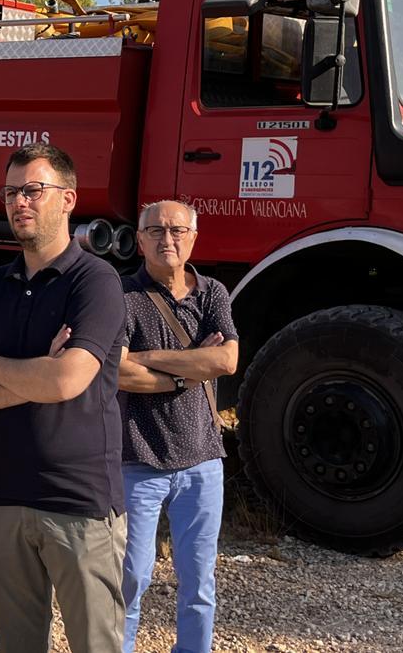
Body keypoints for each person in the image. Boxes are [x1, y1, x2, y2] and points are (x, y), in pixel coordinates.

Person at [0, 143, 127, 653]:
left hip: (79, 501)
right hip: (1, 497)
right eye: (11, 192)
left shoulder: (96, 281)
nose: (20, 202)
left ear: (68, 199)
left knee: (97, 645)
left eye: (33, 190)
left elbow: (66, 382)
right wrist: (34, 371)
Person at [117, 200, 239, 653]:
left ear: (193, 238)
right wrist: (192, 369)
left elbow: (226, 360)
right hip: (138, 459)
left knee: (199, 582)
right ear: (140, 238)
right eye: (156, 230)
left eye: (177, 231)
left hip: (204, 460)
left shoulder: (212, 293)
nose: (167, 239)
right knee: (131, 578)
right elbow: (115, 370)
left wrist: (146, 360)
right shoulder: (122, 296)